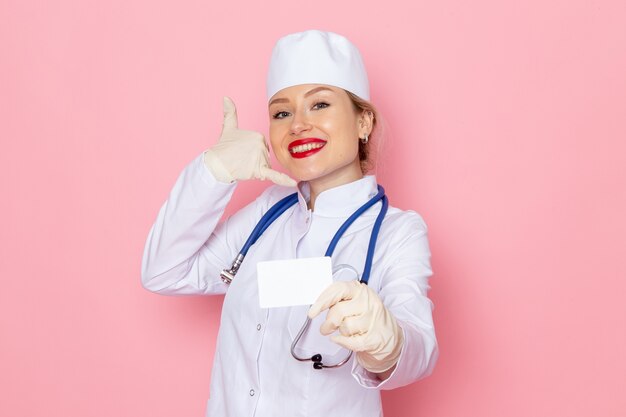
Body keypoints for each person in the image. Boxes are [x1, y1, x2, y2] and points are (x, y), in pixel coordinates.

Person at [142, 30, 438, 417]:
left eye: (319, 105)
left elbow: (420, 348)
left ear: (363, 121)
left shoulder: (396, 233)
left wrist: (389, 344)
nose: (297, 124)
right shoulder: (267, 214)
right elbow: (162, 273)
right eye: (282, 113)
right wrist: (212, 173)